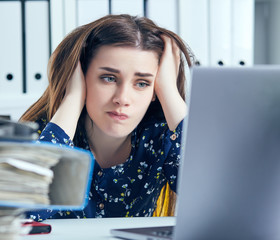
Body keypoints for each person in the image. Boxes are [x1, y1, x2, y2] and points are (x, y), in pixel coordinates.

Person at [20, 14, 194, 221]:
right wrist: (73, 97)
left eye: (142, 83)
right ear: (82, 78)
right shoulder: (45, 135)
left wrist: (169, 91)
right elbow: (22, 216)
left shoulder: (161, 135)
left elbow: (213, 200)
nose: (122, 99)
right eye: (109, 78)